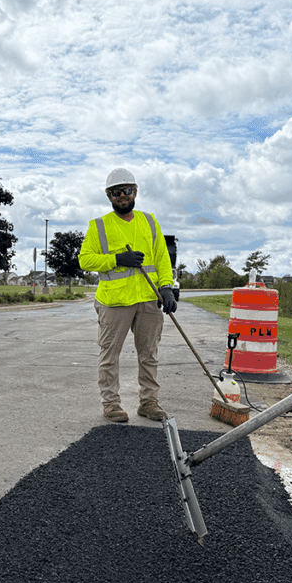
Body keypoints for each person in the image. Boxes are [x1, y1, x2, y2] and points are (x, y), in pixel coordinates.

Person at [79, 168, 176, 423]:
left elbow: (162, 259)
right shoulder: (98, 226)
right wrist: (116, 259)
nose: (122, 196)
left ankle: (149, 402)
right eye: (115, 192)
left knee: (149, 353)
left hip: (148, 298)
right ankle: (111, 404)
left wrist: (166, 287)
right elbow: (85, 259)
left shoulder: (150, 221)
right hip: (114, 302)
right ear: (108, 196)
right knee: (109, 355)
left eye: (127, 190)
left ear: (135, 191)